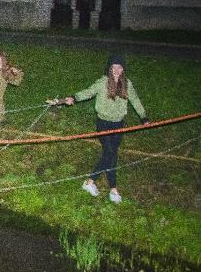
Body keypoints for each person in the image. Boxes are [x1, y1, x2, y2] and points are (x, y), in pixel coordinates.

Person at [63, 54, 149, 204]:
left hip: (118, 124)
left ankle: (92, 183)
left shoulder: (127, 84)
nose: (116, 70)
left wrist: (144, 117)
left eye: (119, 67)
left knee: (112, 154)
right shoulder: (102, 82)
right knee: (110, 153)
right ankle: (110, 188)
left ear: (123, 69)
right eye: (113, 67)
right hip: (103, 123)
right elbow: (88, 92)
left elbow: (135, 100)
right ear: (109, 68)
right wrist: (74, 97)